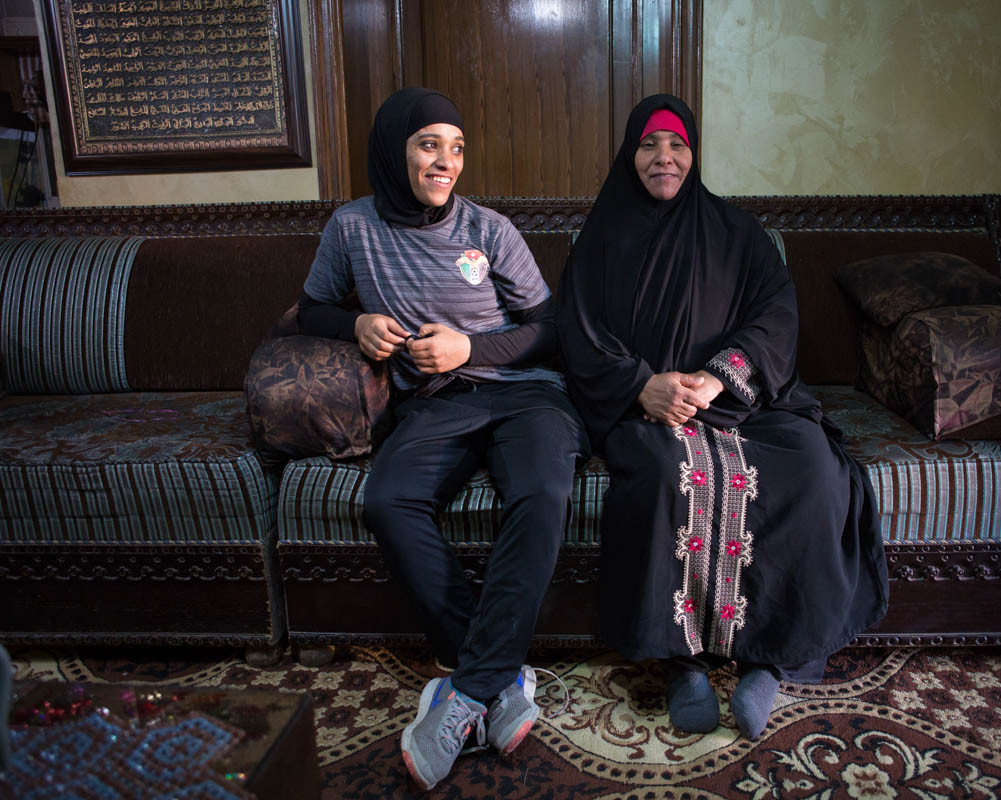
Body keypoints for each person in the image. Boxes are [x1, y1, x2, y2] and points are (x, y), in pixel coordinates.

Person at [556, 94, 888, 739]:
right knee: (659, 476)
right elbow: (579, 334)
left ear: (693, 153)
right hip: (650, 409)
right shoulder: (598, 240)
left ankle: (772, 659)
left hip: (742, 401)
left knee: (816, 468)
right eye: (650, 144)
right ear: (630, 154)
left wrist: (717, 376)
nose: (664, 157)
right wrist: (641, 386)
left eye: (677, 144)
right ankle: (683, 665)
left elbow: (776, 315)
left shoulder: (737, 233)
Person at [297, 87, 588, 789]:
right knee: (389, 501)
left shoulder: (488, 230)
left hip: (526, 398)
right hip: (432, 406)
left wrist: (471, 350)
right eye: (430, 145)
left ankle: (462, 692)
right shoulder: (353, 228)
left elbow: (551, 332)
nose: (446, 162)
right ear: (395, 150)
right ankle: (496, 676)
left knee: (544, 492)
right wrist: (356, 325)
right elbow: (312, 307)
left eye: (456, 148)